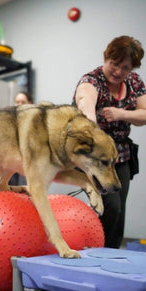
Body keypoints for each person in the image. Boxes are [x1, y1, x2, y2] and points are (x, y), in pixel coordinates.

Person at [73, 35, 146, 249]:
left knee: (119, 209)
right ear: (106, 57)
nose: (118, 71)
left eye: (125, 68)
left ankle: (112, 254)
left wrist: (120, 114)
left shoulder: (134, 83)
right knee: (110, 205)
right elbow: (85, 103)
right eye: (114, 64)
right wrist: (93, 128)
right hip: (95, 155)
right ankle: (95, 250)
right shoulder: (92, 80)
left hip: (121, 154)